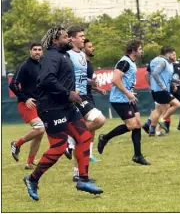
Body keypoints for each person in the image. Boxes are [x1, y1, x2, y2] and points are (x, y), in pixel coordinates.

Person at [23, 27, 103, 201]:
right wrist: (67, 94)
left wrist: (75, 91)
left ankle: (82, 179)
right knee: (59, 147)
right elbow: (46, 80)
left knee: (84, 137)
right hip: (51, 108)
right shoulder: (51, 57)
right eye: (65, 37)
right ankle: (32, 178)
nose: (68, 39)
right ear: (55, 41)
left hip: (67, 105)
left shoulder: (64, 55)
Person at [97, 40, 150, 165]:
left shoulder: (131, 62)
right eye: (140, 48)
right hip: (119, 99)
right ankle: (105, 137)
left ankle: (138, 155)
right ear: (133, 50)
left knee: (137, 124)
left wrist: (130, 92)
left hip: (127, 98)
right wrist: (127, 93)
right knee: (132, 125)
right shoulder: (124, 62)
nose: (141, 51)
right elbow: (115, 80)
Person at [64, 27, 106, 182]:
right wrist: (70, 90)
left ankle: (77, 173)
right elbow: (65, 74)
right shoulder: (66, 55)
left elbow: (80, 75)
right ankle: (70, 137)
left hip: (83, 94)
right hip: (74, 96)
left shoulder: (81, 54)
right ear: (72, 39)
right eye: (81, 36)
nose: (83, 39)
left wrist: (91, 82)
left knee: (82, 138)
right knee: (99, 119)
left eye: (83, 36)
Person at [9, 42, 45, 169]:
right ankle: (16, 144)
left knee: (39, 134)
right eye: (34, 49)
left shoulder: (42, 65)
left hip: (39, 103)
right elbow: (13, 85)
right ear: (30, 51)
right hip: (26, 104)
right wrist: (25, 99)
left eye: (39, 50)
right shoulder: (25, 66)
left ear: (42, 52)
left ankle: (29, 163)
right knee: (40, 128)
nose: (37, 52)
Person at [142, 47, 180, 136]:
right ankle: (161, 123)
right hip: (161, 89)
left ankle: (150, 128)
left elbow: (148, 74)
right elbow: (155, 73)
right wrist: (162, 85)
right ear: (167, 53)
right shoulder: (164, 62)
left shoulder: (153, 61)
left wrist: (150, 85)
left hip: (155, 89)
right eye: (173, 54)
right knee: (176, 104)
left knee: (158, 109)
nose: (175, 56)